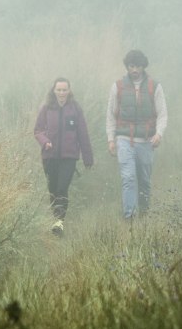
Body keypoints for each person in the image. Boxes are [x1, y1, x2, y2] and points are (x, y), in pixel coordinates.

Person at [106, 49, 167, 220]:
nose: (134, 70)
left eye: (138, 66)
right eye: (131, 66)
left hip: (147, 141)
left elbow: (162, 114)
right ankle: (129, 218)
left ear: (143, 66)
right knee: (128, 178)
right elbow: (111, 115)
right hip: (124, 140)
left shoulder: (154, 86)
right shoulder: (117, 87)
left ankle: (144, 214)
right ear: (127, 66)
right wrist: (111, 139)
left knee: (144, 181)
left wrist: (159, 134)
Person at [33, 77, 94, 236]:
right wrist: (45, 142)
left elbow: (83, 134)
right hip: (50, 156)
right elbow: (37, 130)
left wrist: (88, 158)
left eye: (64, 90)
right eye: (59, 90)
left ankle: (60, 222)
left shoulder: (75, 109)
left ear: (69, 90)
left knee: (62, 188)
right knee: (52, 189)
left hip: (69, 157)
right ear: (54, 91)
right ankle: (55, 219)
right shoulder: (46, 108)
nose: (61, 93)